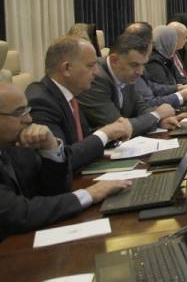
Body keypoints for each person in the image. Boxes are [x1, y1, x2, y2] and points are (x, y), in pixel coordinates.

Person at [0, 82, 131, 241]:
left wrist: (50, 148)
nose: (29, 119)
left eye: (27, 110)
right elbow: (18, 214)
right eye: (19, 112)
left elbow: (55, 191)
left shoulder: (17, 144)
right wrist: (90, 194)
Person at [27, 37, 132, 171]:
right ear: (66, 68)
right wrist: (105, 134)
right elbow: (63, 158)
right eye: (90, 66)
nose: (97, 72)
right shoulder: (41, 101)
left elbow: (82, 137)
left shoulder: (69, 95)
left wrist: (114, 131)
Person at [78, 33, 183, 136]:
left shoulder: (125, 74)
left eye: (143, 65)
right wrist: (157, 115)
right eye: (135, 65)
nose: (140, 72)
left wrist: (160, 121)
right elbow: (118, 127)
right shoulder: (96, 78)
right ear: (114, 61)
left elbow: (139, 106)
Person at [124, 22, 187, 109]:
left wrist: (177, 87)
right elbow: (148, 103)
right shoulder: (152, 61)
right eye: (151, 41)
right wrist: (180, 96)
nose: (153, 45)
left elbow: (151, 86)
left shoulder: (165, 56)